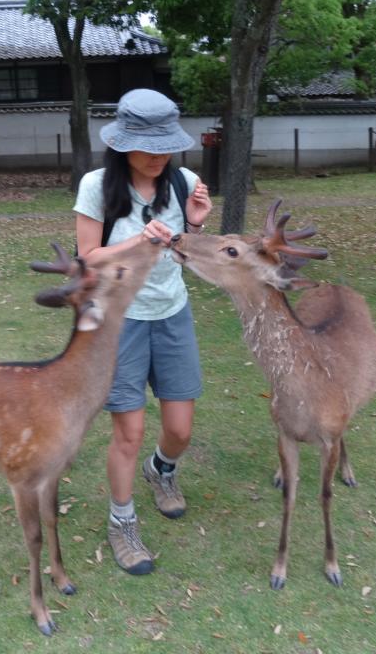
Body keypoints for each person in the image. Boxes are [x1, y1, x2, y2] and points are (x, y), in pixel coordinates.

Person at [73, 88, 212, 575]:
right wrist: (134, 241)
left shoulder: (184, 180)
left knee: (180, 429)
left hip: (172, 313)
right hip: (120, 321)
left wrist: (193, 225)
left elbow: (187, 250)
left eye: (165, 147)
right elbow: (88, 257)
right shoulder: (96, 185)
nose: (158, 157)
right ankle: (122, 522)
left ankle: (162, 470)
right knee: (127, 433)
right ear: (122, 143)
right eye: (147, 147)